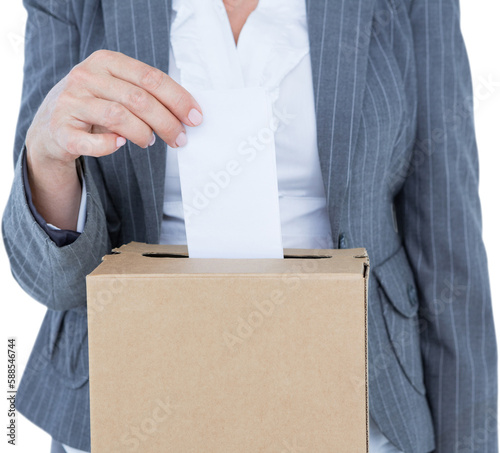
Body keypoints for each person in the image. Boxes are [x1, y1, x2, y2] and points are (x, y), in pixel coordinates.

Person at [2, 0, 497, 452]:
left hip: (356, 407)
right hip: (135, 405)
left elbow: (448, 246)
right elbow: (52, 281)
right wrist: (46, 159)